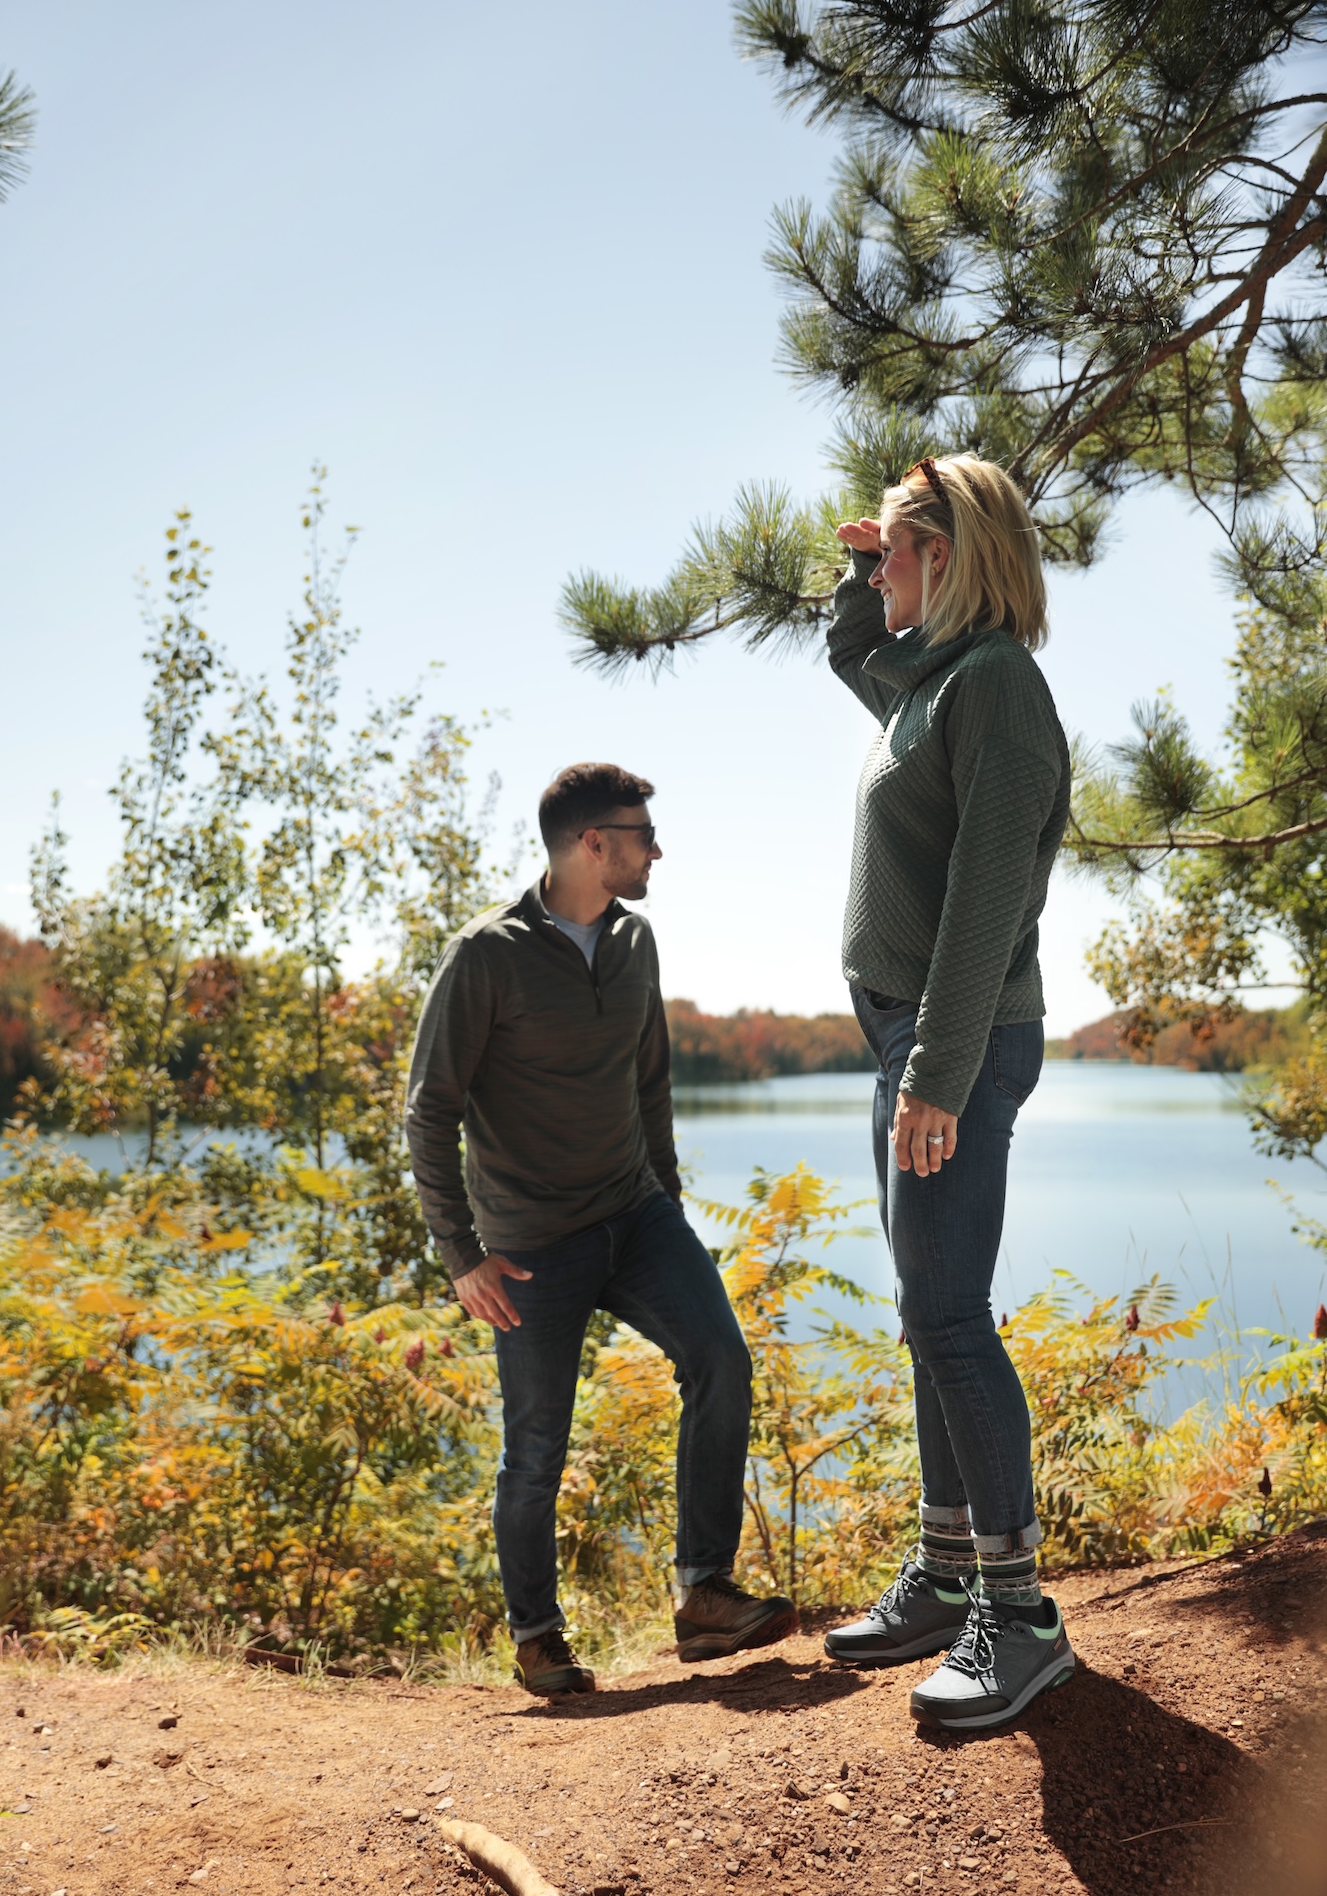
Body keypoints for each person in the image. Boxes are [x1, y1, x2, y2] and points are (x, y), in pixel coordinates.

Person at [404, 761, 797, 1695]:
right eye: (640, 833)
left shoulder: (636, 941)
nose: (656, 848)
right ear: (592, 843)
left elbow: (648, 1077)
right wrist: (462, 1256)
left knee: (720, 1360)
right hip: (531, 1246)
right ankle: (538, 1638)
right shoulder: (485, 955)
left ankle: (704, 1596)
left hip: (635, 1213)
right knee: (535, 1447)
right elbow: (429, 1112)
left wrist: (665, 1199)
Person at [821, 455, 1075, 1728]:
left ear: (948, 555)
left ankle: (1019, 1613)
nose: (880, 576)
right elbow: (851, 654)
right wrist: (860, 574)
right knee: (928, 1311)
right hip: (914, 1041)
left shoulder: (996, 692)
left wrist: (935, 1074)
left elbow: (985, 906)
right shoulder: (929, 685)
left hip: (954, 1041)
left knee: (951, 1316)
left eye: (897, 554)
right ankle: (947, 1569)